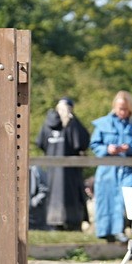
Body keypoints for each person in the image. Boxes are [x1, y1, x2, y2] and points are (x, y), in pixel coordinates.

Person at [89, 91, 132, 243]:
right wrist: (107, 149)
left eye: (125, 109)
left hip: (127, 169)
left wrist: (129, 148)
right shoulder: (103, 124)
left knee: (124, 200)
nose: (122, 112)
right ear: (115, 107)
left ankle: (120, 230)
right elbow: (95, 144)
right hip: (107, 170)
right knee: (105, 200)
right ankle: (104, 232)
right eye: (120, 108)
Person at [36, 97, 91, 231]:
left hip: (52, 170)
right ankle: (72, 223)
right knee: (72, 195)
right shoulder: (71, 123)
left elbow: (40, 143)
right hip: (70, 172)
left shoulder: (46, 124)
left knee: (53, 195)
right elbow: (82, 143)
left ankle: (54, 223)